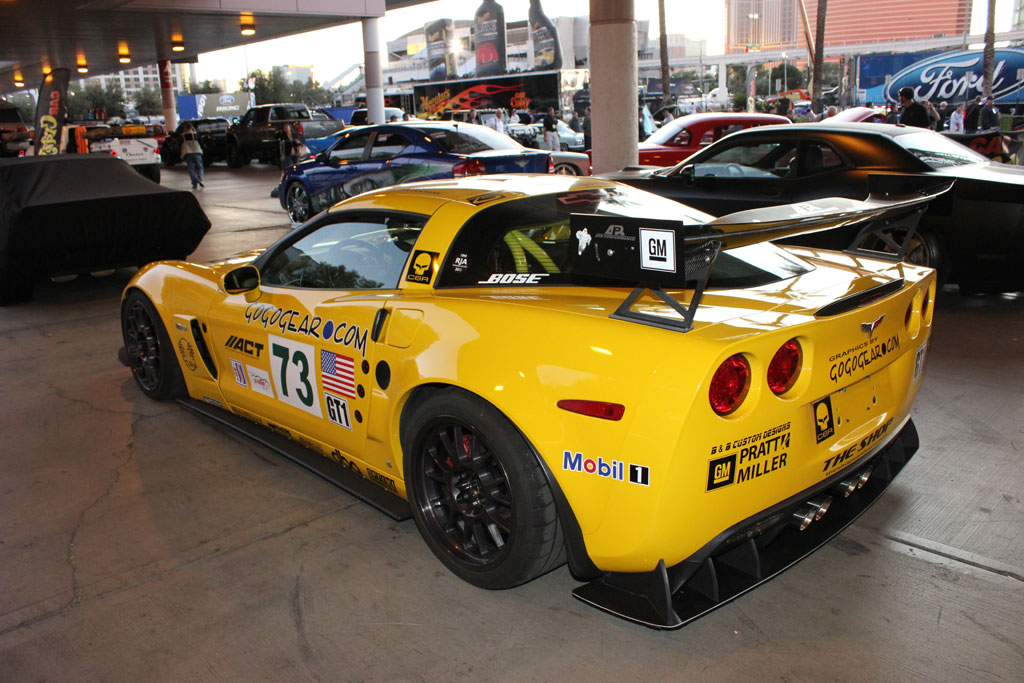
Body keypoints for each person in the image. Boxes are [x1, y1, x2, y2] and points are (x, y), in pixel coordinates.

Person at [180, 122, 204, 190]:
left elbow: (179, 144)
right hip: (197, 152)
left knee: (191, 169)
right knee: (200, 167)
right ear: (191, 127)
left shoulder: (182, 136)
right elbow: (201, 142)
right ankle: (199, 179)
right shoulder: (196, 135)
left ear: (185, 128)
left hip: (187, 153)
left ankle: (194, 183)